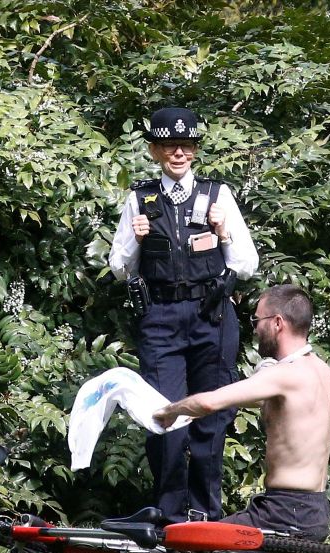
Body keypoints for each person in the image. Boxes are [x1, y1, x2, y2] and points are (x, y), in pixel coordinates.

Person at [108, 107, 259, 524]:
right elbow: (119, 268)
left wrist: (224, 232)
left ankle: (207, 515)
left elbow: (247, 264)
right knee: (164, 415)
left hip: (212, 314)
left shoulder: (217, 195)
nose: (179, 152)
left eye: (187, 144)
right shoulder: (139, 199)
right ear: (155, 150)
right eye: (170, 145)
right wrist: (135, 240)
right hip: (159, 316)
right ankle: (171, 517)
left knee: (212, 414)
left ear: (195, 150)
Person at [153, 284, 330, 542]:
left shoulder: (284, 375)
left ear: (277, 323)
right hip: (314, 512)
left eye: (258, 320)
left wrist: (168, 411)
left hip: (282, 513)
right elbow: (271, 406)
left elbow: (210, 403)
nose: (255, 328)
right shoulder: (320, 370)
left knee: (179, 552)